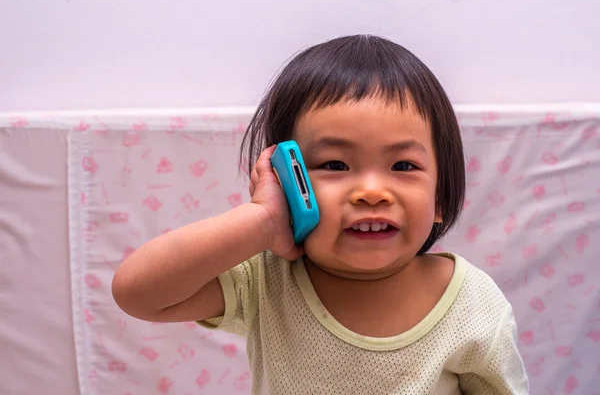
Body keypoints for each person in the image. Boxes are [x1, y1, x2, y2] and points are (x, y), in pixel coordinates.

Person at [112, 34, 529, 394]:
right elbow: (138, 293)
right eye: (334, 165)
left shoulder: (472, 304)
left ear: (440, 196)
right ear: (286, 179)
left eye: (402, 167)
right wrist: (262, 222)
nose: (371, 191)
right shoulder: (266, 281)